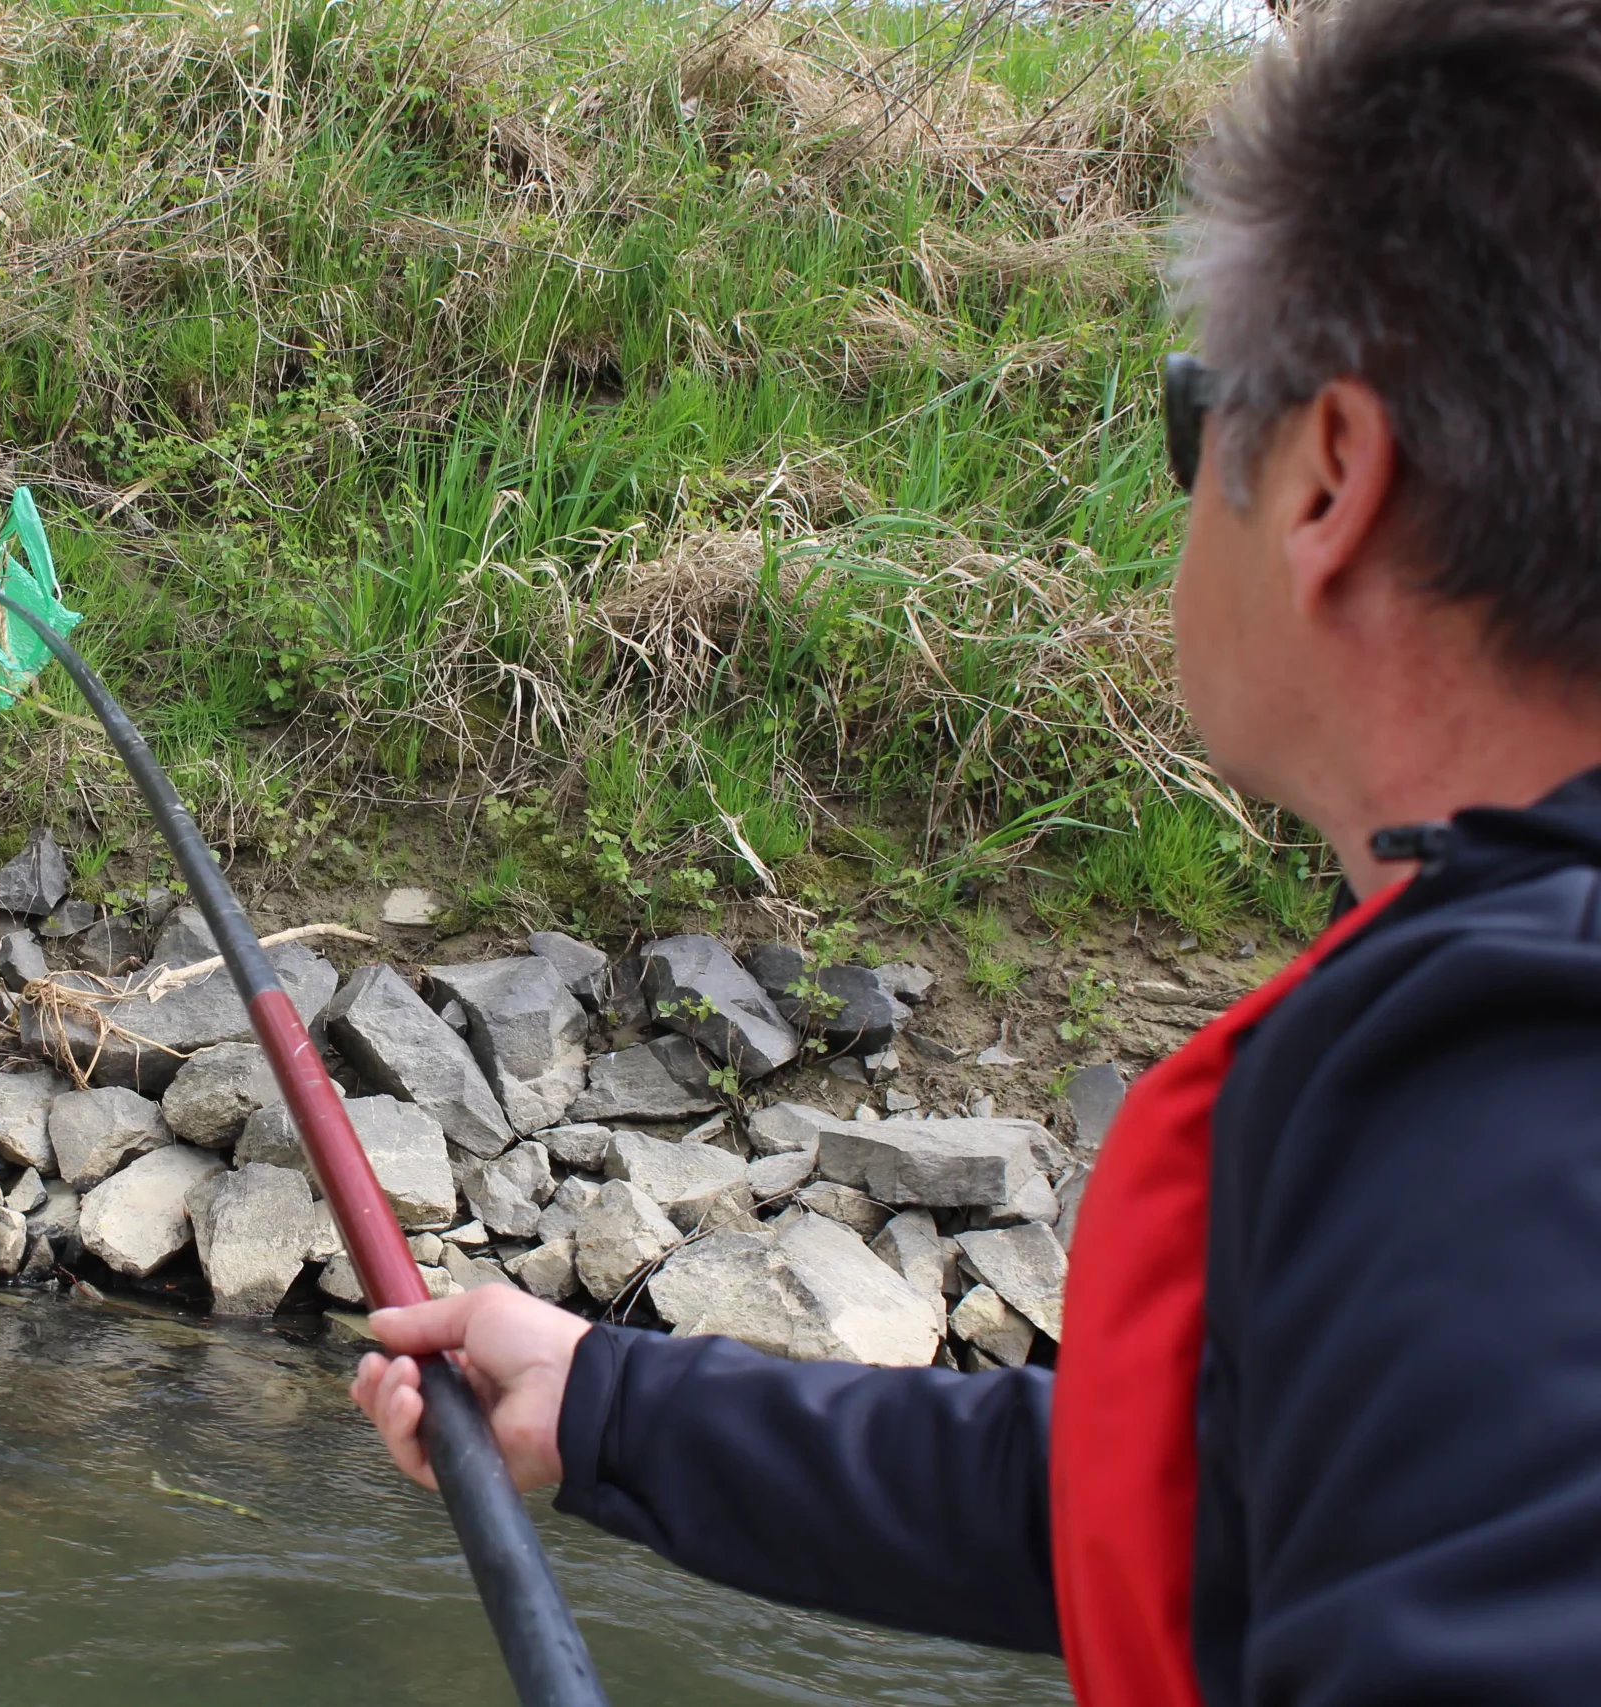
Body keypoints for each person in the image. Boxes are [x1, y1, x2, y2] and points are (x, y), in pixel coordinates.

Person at [350, 3, 1601, 1702]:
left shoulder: (1510, 1076)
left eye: (1194, 415)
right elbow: (1170, 1495)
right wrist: (615, 1402)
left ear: (1327, 479)